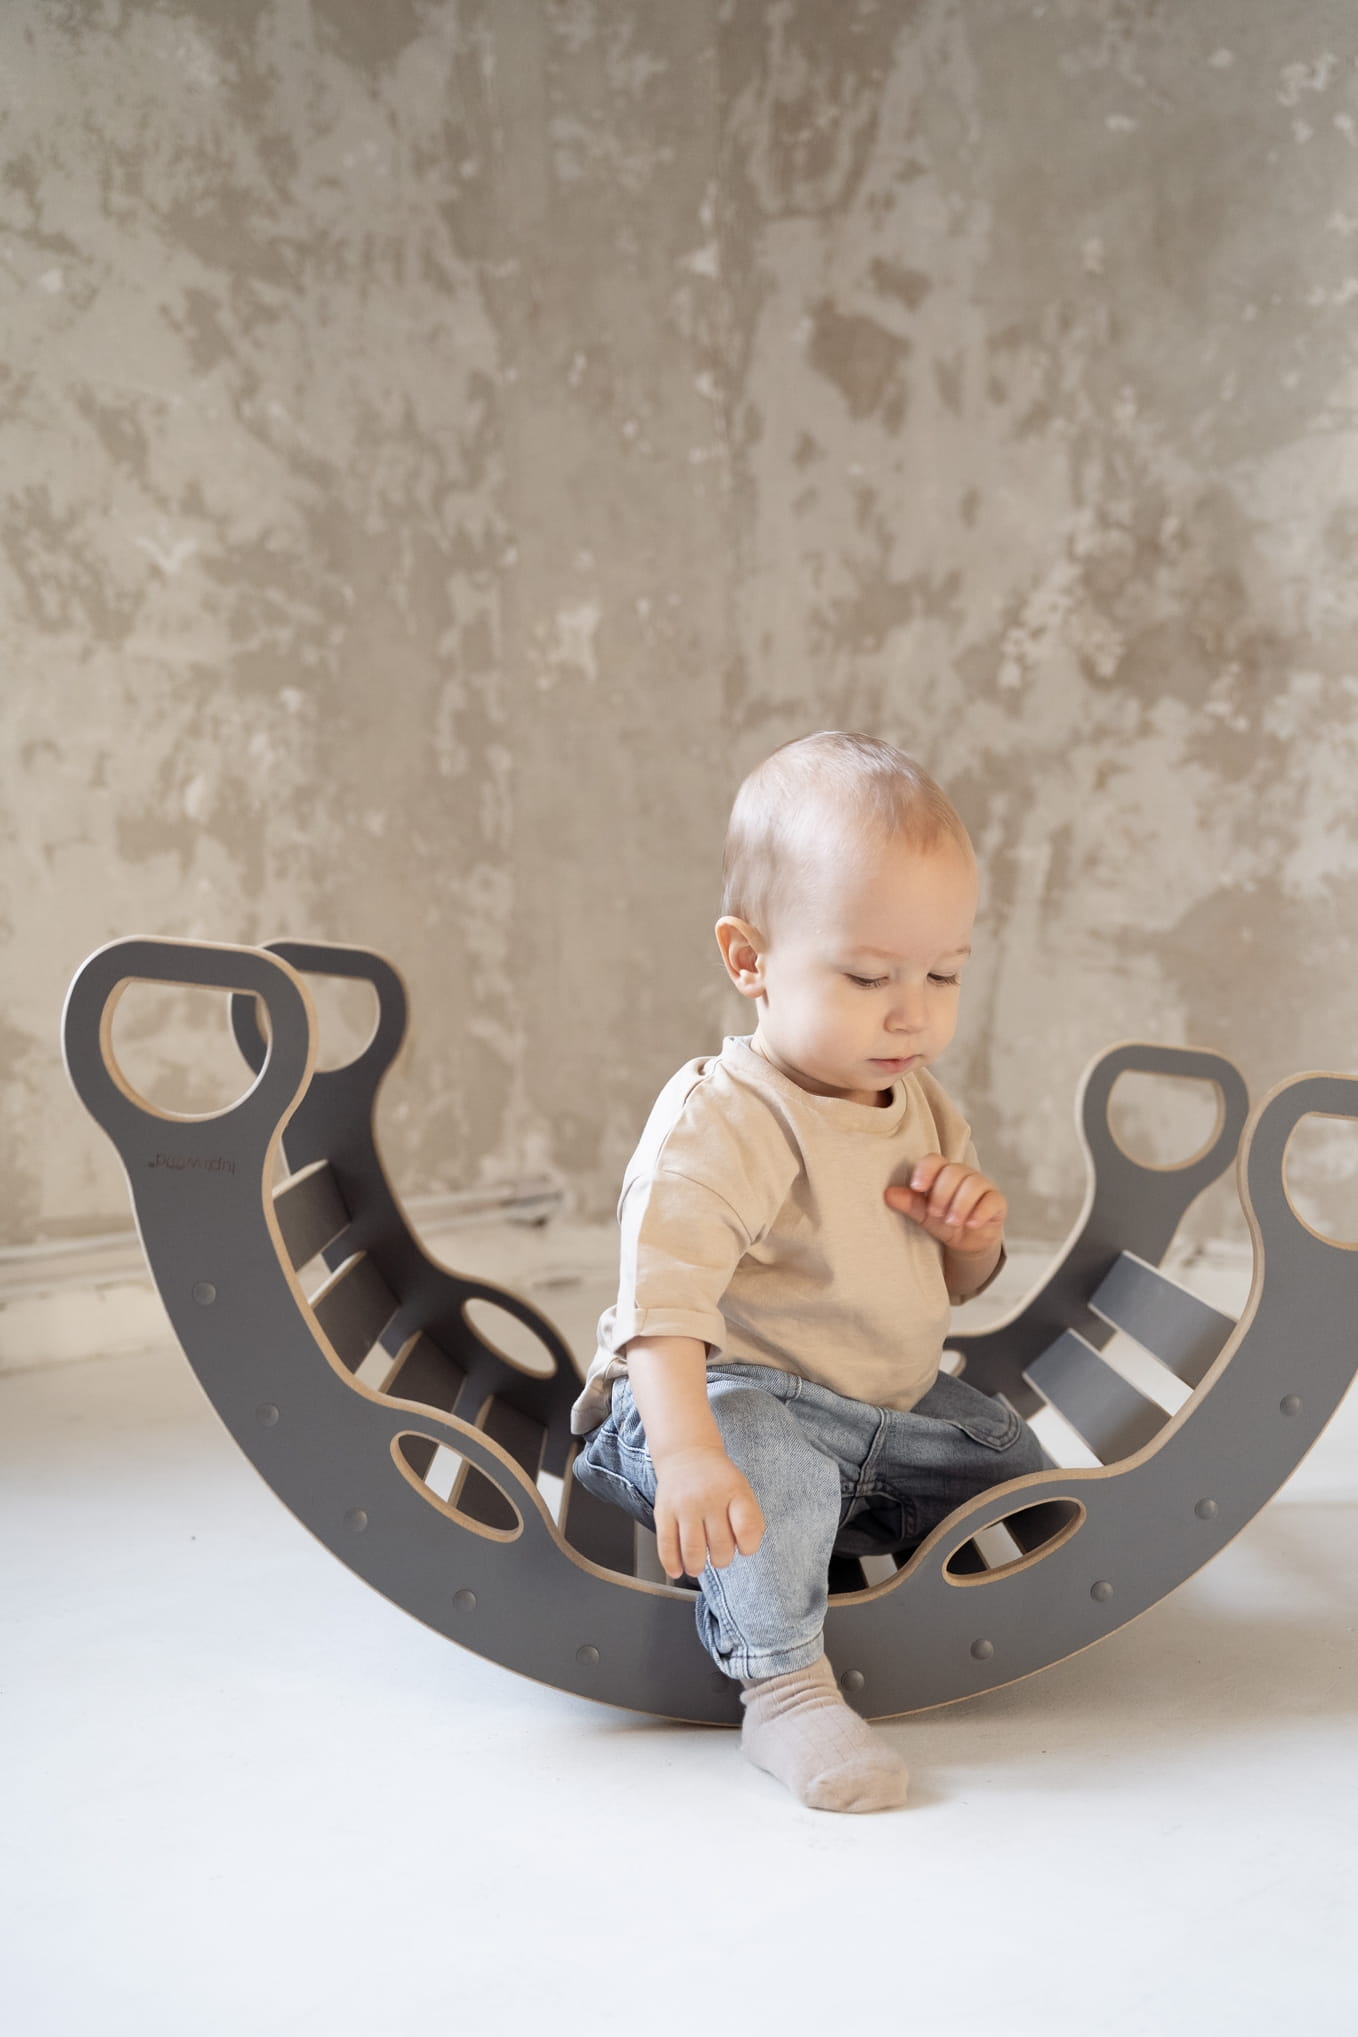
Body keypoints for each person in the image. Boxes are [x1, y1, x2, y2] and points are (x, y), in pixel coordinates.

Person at [570, 731, 1047, 1812]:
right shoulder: (725, 1117)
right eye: (869, 976)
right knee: (762, 1459)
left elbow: (957, 1286)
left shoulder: (921, 1102)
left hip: (875, 1412)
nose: (912, 1010)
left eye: (943, 973)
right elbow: (662, 1307)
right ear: (750, 961)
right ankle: (781, 1687)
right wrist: (688, 1456)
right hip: (714, 1404)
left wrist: (969, 1233)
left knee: (1005, 1453)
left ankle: (843, 1546)